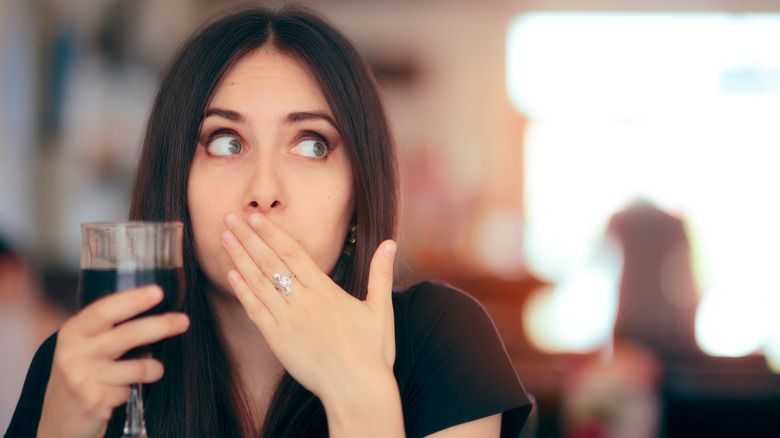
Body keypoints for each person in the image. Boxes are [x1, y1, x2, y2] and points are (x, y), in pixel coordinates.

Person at [6, 6, 532, 437]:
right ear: (178, 185)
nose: (263, 192)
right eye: (226, 143)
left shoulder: (442, 340)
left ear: (359, 192)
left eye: (311, 145)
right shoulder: (88, 367)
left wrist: (361, 396)